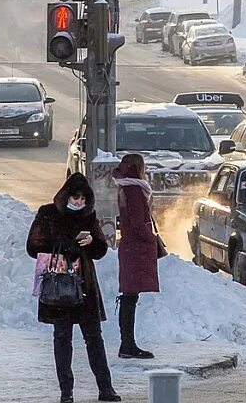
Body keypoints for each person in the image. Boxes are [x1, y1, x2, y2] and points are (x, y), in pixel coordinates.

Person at [27, 173, 121, 403]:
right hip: (58, 287)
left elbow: (100, 251)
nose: (79, 202)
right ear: (66, 195)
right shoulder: (47, 213)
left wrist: (93, 243)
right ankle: (66, 393)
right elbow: (33, 246)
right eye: (75, 197)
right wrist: (65, 246)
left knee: (94, 338)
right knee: (62, 339)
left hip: (85, 286)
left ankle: (106, 389)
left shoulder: (89, 217)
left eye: (83, 198)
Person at [112, 153, 159, 360]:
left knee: (129, 297)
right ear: (138, 168)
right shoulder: (135, 191)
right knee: (130, 298)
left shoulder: (125, 188)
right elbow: (138, 223)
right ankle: (127, 345)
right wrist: (151, 238)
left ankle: (127, 344)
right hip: (136, 249)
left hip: (130, 248)